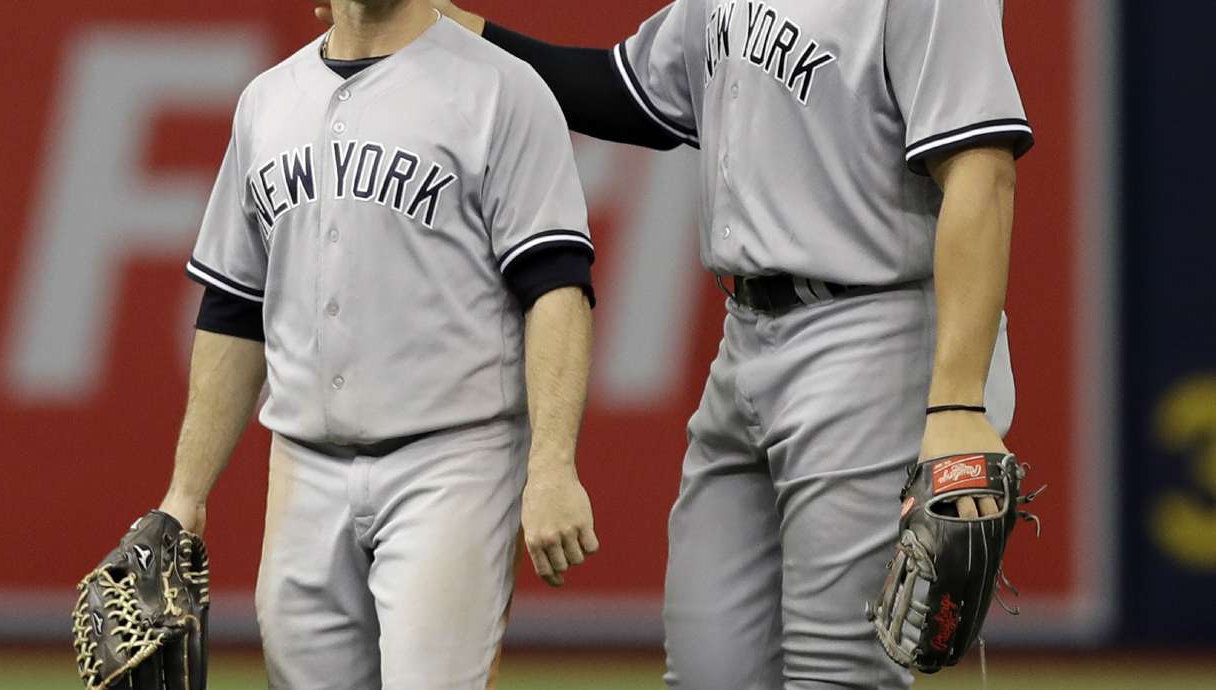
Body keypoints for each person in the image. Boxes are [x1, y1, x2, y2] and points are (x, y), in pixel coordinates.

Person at [314, 0, 1035, 687]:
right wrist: (443, 27)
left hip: (872, 331)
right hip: (746, 338)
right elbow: (625, 92)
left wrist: (957, 404)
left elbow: (982, 169)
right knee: (707, 667)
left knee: (836, 673)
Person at [161, 0, 601, 687]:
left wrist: (551, 465)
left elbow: (557, 287)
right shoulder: (267, 102)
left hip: (453, 461)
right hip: (303, 466)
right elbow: (234, 307)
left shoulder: (502, 89)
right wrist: (185, 495)